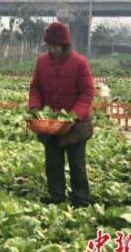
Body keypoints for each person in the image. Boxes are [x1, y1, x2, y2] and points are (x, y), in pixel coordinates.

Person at [28, 22, 96, 208]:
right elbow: (36, 88)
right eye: (49, 45)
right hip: (50, 124)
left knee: (77, 165)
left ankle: (81, 201)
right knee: (53, 164)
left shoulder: (80, 63)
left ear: (65, 45)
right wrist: (35, 107)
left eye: (55, 45)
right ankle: (56, 197)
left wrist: (73, 116)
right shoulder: (42, 62)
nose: (52, 49)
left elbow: (88, 92)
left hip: (76, 125)